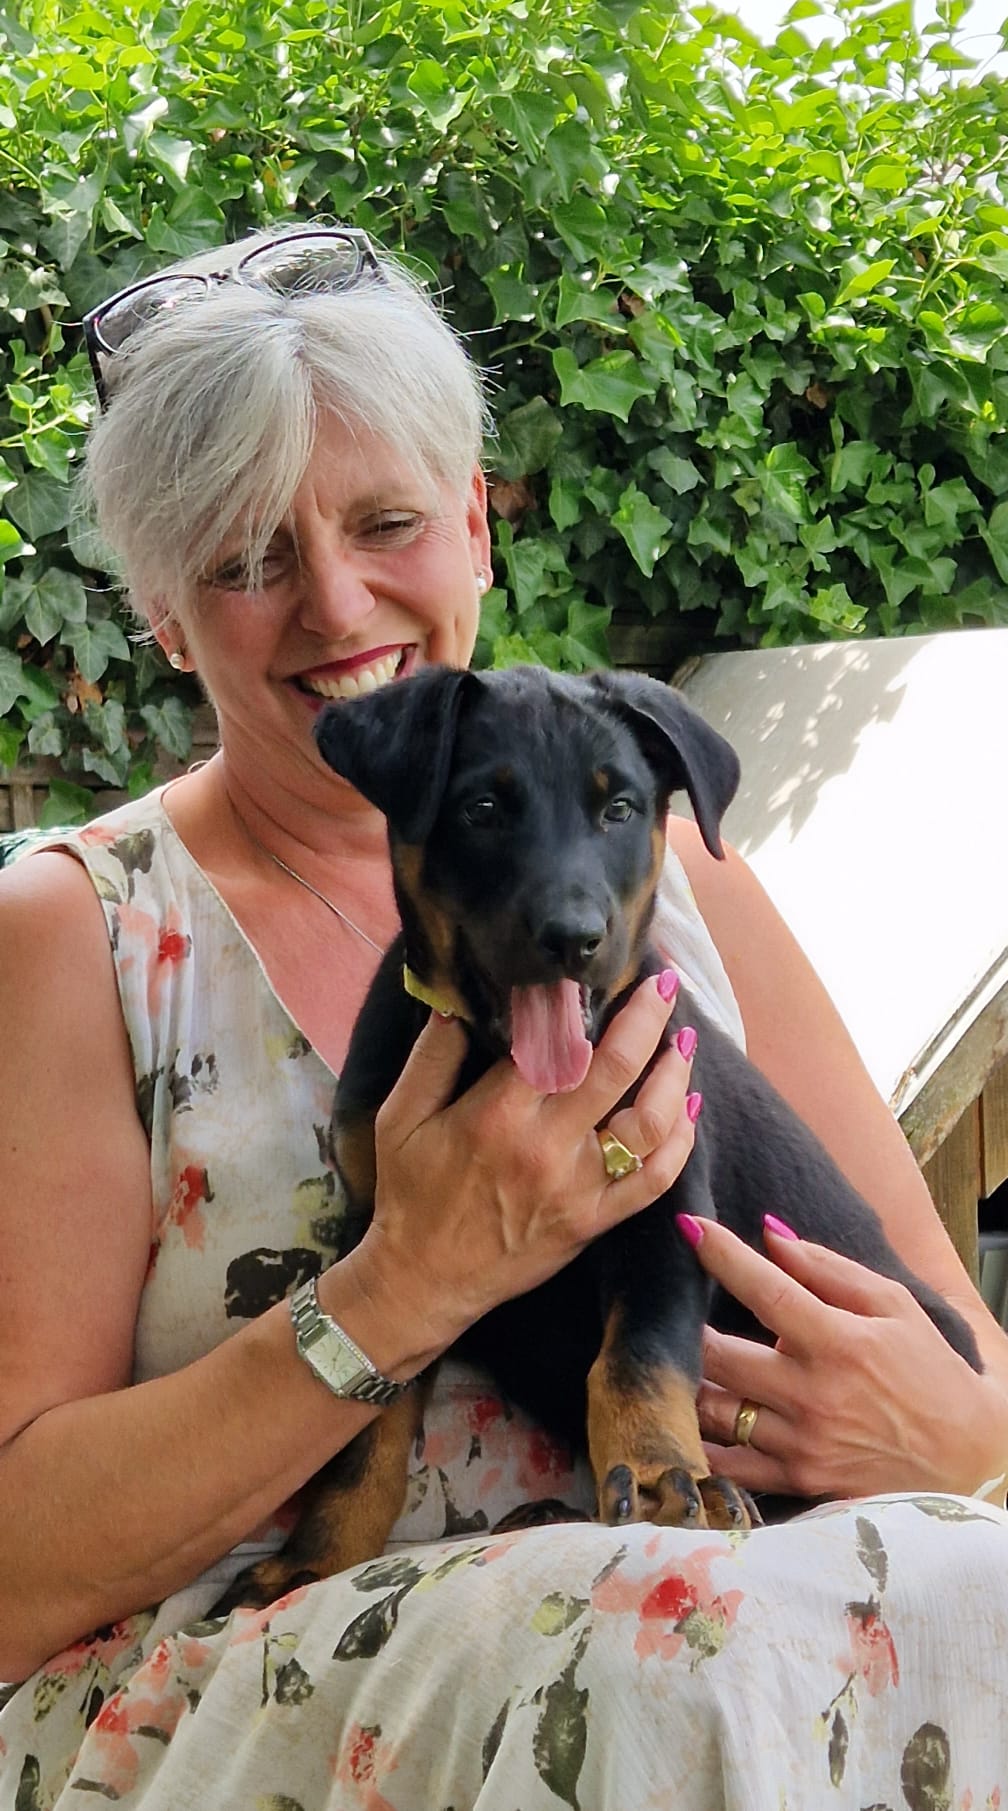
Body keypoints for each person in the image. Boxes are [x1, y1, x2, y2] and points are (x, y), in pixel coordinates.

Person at [1, 221, 1007, 1811]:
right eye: (250, 559)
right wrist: (403, 1284)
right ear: (163, 610)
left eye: (389, 521)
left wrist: (948, 1438)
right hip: (272, 1695)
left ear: (474, 523)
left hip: (754, 1626)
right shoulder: (83, 935)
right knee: (679, 1654)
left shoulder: (673, 873)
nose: (336, 602)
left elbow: (967, 1359)